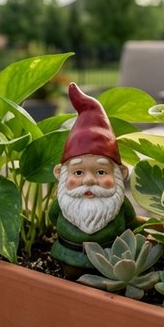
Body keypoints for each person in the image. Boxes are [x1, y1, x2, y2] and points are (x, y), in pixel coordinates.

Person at [50, 83, 138, 272]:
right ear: (60, 173)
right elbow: (52, 217)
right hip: (69, 257)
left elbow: (132, 224)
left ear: (121, 173)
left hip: (111, 261)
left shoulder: (120, 206)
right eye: (79, 172)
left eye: (100, 172)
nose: (89, 180)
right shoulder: (61, 205)